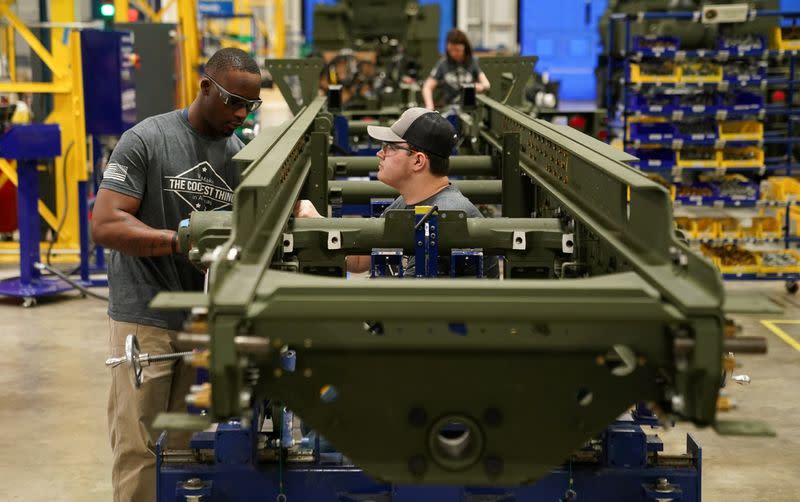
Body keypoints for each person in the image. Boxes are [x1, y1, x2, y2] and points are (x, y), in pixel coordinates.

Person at [91, 48, 262, 502]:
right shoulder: (147, 139)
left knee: (188, 454)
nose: (241, 115)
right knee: (139, 447)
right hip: (144, 316)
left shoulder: (240, 155)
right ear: (205, 87)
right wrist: (181, 240)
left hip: (202, 322)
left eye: (251, 106)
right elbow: (105, 223)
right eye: (233, 102)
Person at [295, 107, 499, 278]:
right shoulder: (408, 201)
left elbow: (407, 305)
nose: (379, 153)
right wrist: (316, 222)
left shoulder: (447, 216)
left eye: (389, 147)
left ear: (418, 161)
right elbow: (358, 259)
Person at [422, 29, 491, 111]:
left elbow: (487, 84)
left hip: (469, 110)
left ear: (465, 48)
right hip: (449, 108)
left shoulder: (473, 62)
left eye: (457, 50)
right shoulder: (443, 63)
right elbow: (427, 86)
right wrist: (429, 106)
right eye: (451, 50)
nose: (454, 54)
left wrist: (480, 87)